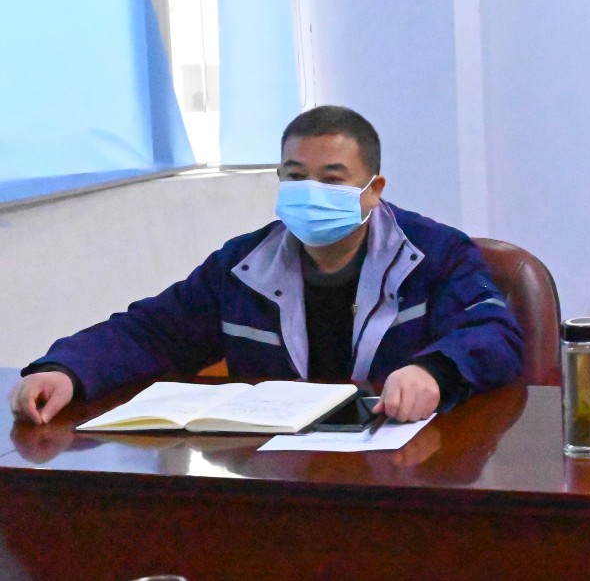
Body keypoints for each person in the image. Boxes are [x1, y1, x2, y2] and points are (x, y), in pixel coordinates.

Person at [9, 106, 524, 425]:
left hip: (407, 467)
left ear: (374, 190)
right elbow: (152, 331)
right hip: (279, 471)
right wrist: (66, 370)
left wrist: (433, 371)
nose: (311, 191)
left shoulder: (435, 254)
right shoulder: (243, 266)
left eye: (333, 179)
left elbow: (494, 333)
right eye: (296, 176)